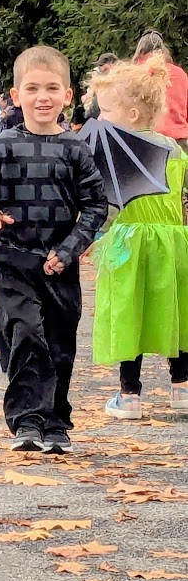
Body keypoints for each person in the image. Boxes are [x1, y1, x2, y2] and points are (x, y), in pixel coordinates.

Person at [0, 46, 107, 454]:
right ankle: (27, 421)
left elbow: (96, 206)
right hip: (12, 257)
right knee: (26, 332)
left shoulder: (76, 148)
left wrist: (72, 247)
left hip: (59, 263)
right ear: (16, 94)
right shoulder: (2, 144)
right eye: (32, 88)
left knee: (60, 341)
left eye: (51, 88)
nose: (42, 96)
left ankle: (56, 422)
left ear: (67, 95)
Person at [88, 57, 188, 419]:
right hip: (173, 241)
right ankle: (182, 387)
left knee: (129, 313)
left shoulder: (115, 152)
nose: (100, 119)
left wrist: (91, 237)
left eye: (106, 111)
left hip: (128, 240)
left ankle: (129, 395)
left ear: (131, 114)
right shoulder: (174, 149)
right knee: (176, 312)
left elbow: (109, 203)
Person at [133, 31, 188, 151]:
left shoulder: (135, 73)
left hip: (148, 141)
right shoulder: (180, 74)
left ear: (140, 50)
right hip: (179, 142)